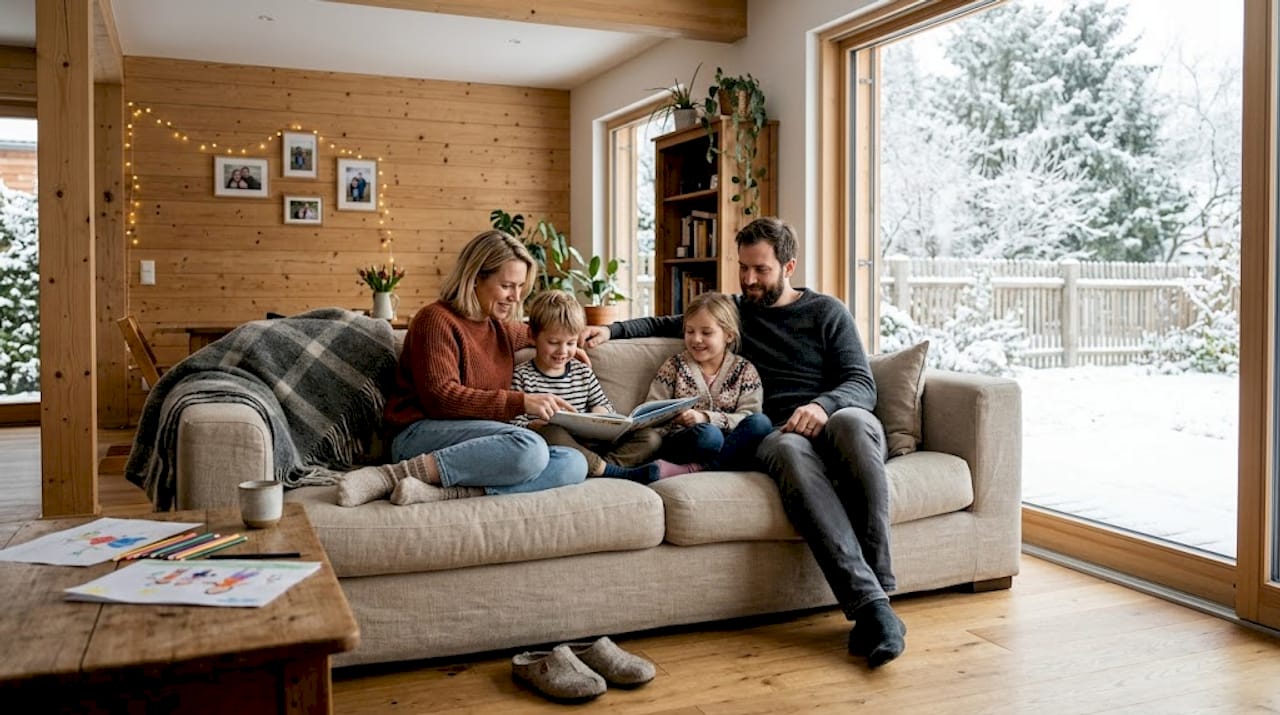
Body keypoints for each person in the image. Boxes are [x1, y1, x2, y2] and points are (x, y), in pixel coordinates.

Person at [581, 217, 905, 668]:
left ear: (788, 266)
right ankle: (874, 609)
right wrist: (609, 331)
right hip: (777, 432)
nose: (750, 280)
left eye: (761, 270)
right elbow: (669, 322)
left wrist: (824, 406)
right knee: (787, 449)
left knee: (853, 423)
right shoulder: (737, 313)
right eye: (744, 269)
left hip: (836, 417)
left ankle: (880, 591)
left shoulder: (827, 312)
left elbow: (861, 383)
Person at [335, 230, 588, 507]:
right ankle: (389, 476)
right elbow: (441, 398)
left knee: (574, 463)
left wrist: (569, 344)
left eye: (520, 287)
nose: (516, 297)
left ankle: (443, 492)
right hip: (418, 434)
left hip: (479, 440)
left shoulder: (499, 328)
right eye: (507, 286)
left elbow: (540, 333)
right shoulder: (435, 320)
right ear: (476, 277)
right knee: (530, 448)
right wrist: (522, 402)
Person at [510, 290, 663, 483]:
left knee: (650, 438)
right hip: (560, 447)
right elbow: (513, 424)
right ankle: (612, 472)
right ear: (532, 336)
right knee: (551, 432)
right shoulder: (522, 375)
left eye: (571, 343)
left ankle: (602, 468)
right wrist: (534, 425)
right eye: (553, 342)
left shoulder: (582, 372)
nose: (563, 351)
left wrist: (602, 413)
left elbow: (605, 406)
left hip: (594, 444)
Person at [642, 291, 773, 478]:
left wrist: (706, 417)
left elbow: (748, 416)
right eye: (690, 331)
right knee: (709, 437)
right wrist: (676, 417)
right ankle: (715, 464)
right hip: (688, 441)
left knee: (761, 423)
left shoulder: (745, 371)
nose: (696, 339)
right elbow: (651, 412)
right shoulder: (674, 366)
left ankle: (698, 469)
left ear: (728, 335)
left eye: (706, 332)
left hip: (730, 442)